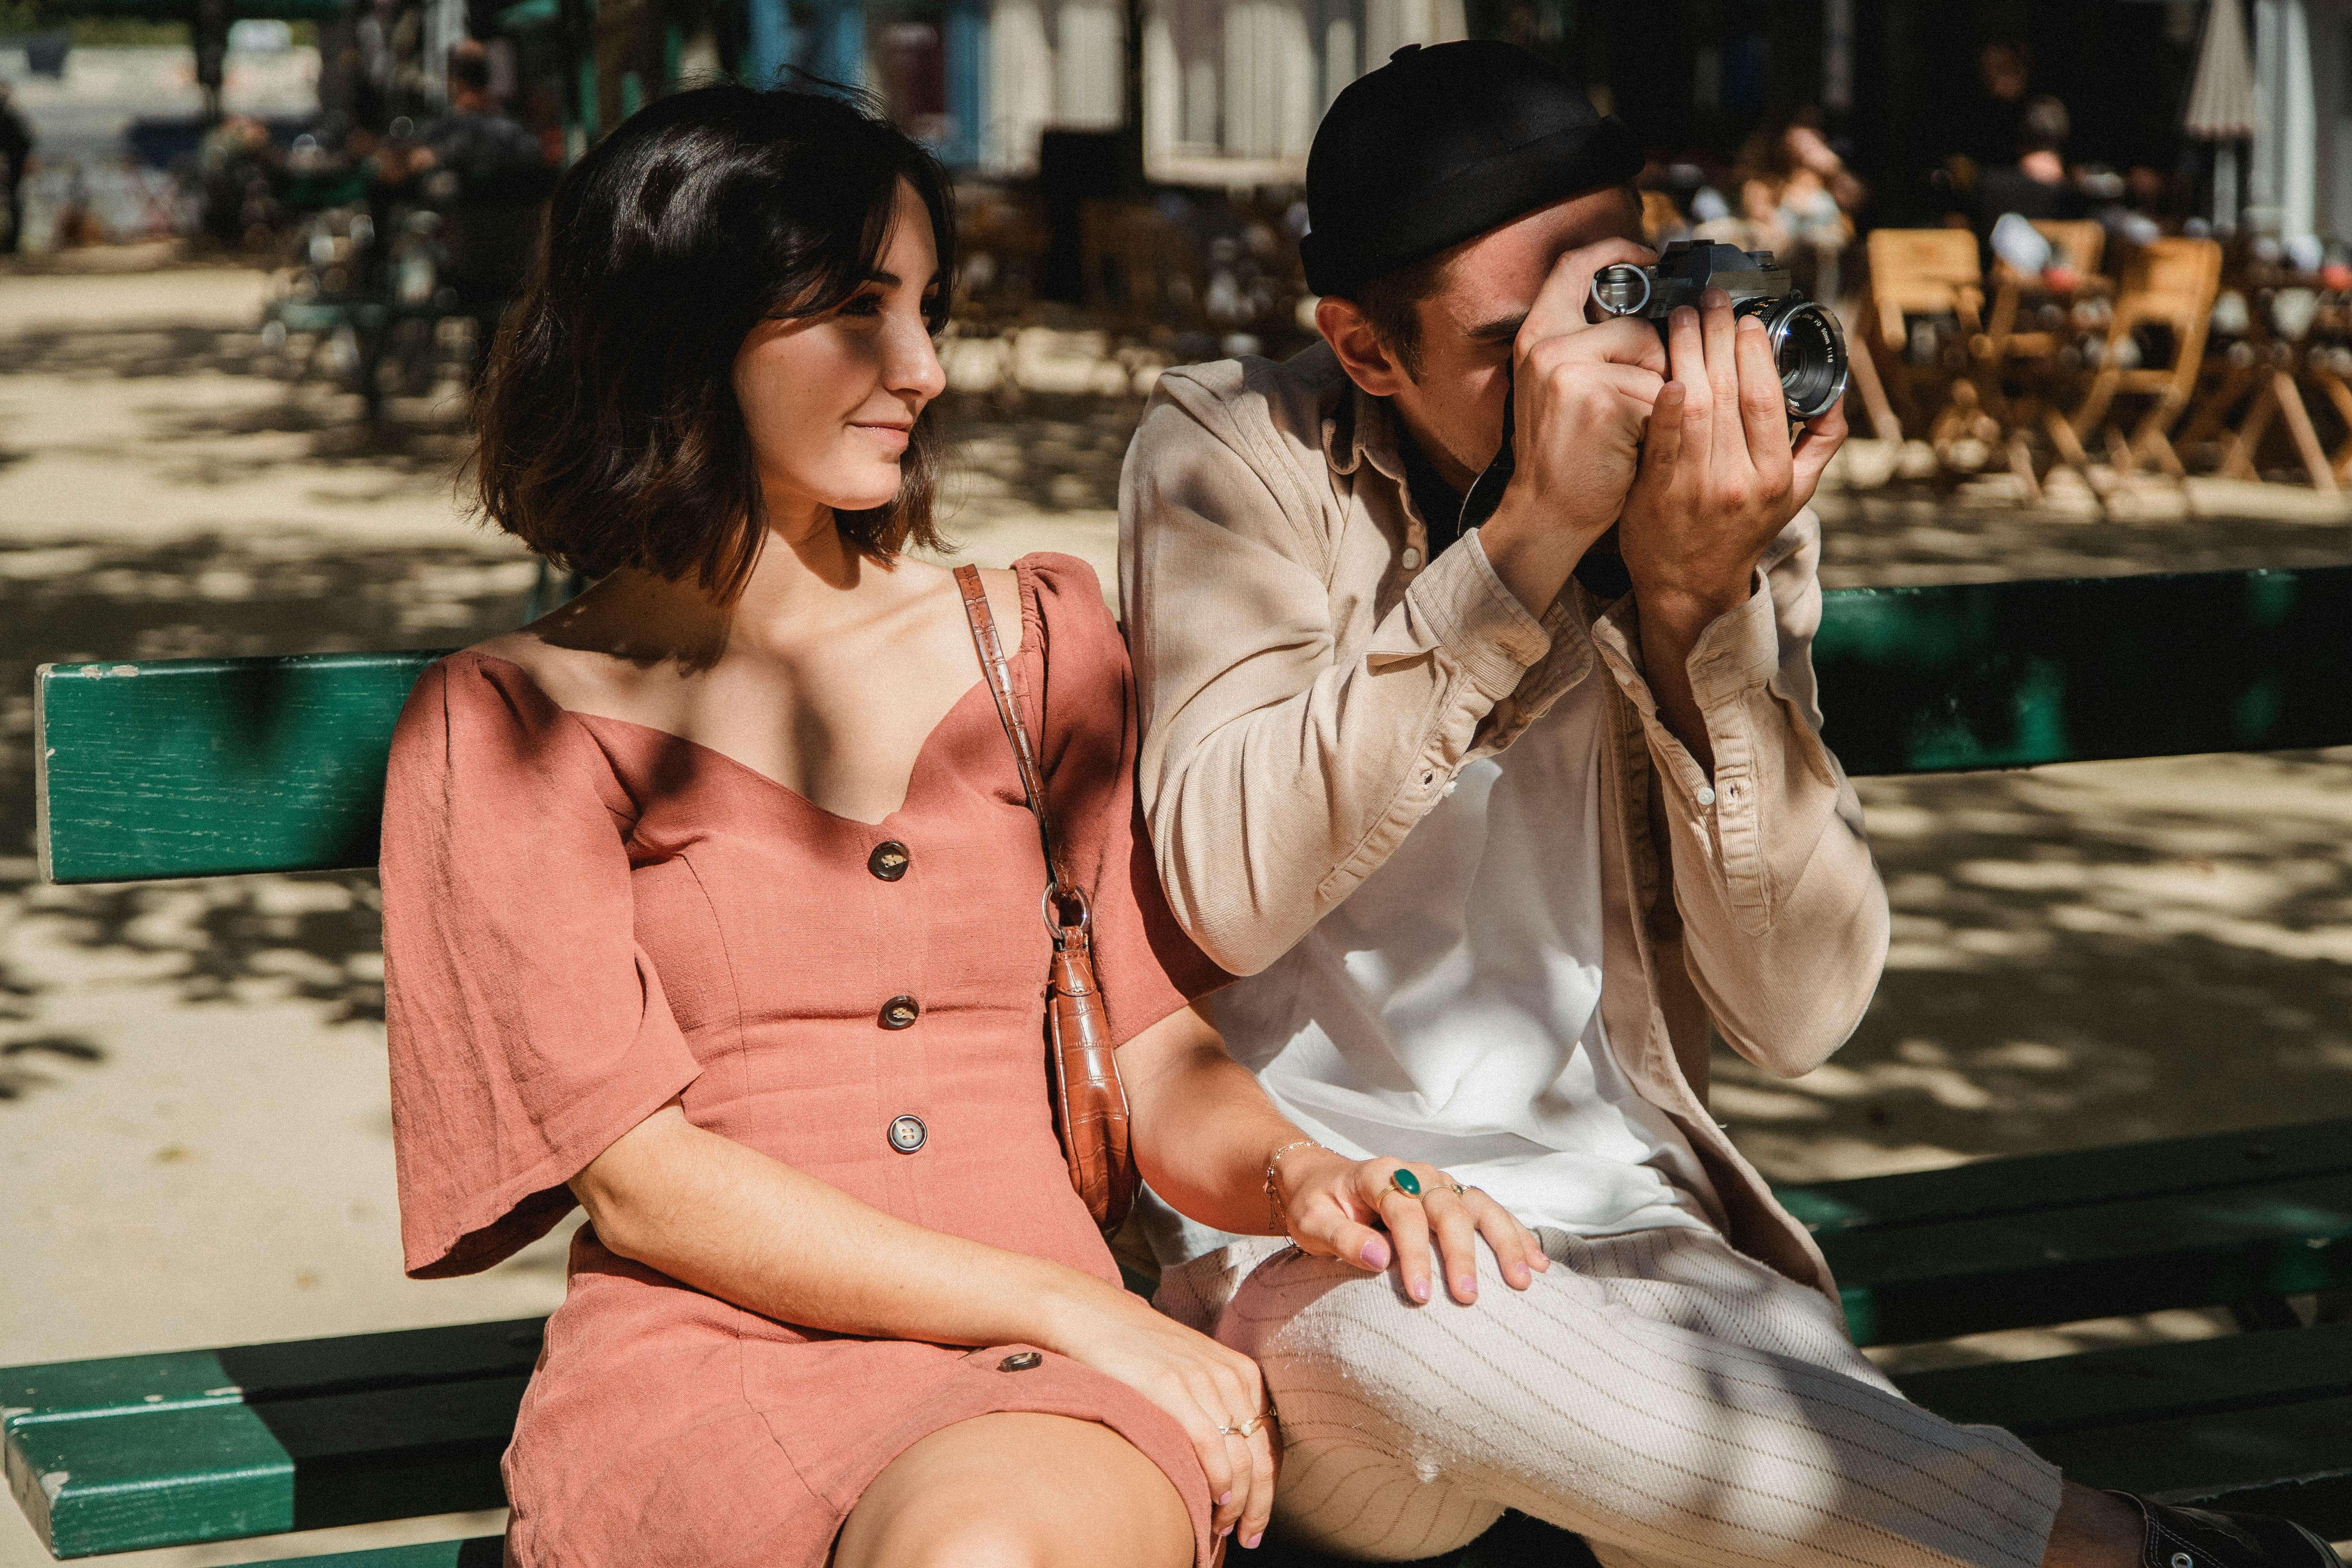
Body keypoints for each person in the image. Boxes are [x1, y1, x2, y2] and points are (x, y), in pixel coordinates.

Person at [1119, 39, 2342, 1568]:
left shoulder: (1695, 486)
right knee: (1422, 1333)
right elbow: (1222, 892)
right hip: (1331, 1248)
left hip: (1650, 1232)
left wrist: (1699, 616)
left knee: (1804, 1490)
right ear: (1365, 349)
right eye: (1519, 344)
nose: (1595, 375)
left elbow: (1802, 1010)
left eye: (1618, 302)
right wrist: (1524, 545)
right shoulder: (1238, 449)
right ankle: (2122, 1550)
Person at [378, 82, 1550, 1568]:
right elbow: (640, 1175)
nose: (923, 366)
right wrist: (1068, 1304)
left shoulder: (1034, 639)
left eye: (930, 307)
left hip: (1036, 1396)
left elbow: (1150, 1048)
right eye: (862, 308)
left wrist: (1296, 1172)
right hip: (709, 1363)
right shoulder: (508, 724)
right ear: (683, 325)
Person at [0, 84, 32, 256]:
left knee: (13, 204)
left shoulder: (11, 118)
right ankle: (11, 244)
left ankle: (12, 244)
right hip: (12, 168)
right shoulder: (10, 117)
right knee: (13, 205)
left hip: (13, 168)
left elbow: (26, 142)